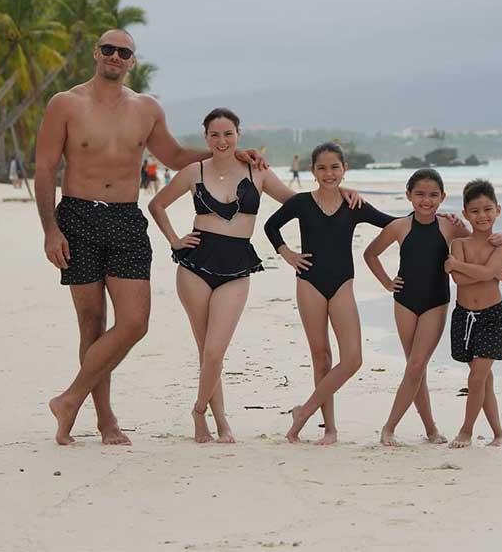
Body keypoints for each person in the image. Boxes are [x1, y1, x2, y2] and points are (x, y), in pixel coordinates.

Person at [36, 30, 266, 446]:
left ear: (132, 62)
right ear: (96, 53)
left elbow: (175, 157)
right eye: (107, 49)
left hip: (126, 219)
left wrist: (231, 154)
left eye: (123, 52)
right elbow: (44, 167)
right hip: (78, 217)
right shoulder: (65, 104)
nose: (114, 56)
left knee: (135, 323)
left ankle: (69, 399)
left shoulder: (146, 109)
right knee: (91, 324)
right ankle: (105, 420)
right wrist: (50, 230)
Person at [148, 111, 362, 443]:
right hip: (194, 265)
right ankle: (218, 420)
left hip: (236, 264)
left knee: (215, 350)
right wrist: (175, 240)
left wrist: (338, 188)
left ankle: (198, 410)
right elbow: (157, 205)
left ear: (238, 135)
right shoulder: (193, 172)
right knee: (206, 349)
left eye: (228, 134)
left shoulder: (257, 172)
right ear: (205, 137)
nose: (222, 141)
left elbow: (302, 205)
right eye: (215, 135)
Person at [363, 169, 502, 447]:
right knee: (414, 369)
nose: (426, 201)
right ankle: (430, 430)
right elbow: (370, 254)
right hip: (404, 301)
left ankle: (389, 427)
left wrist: (501, 239)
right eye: (419, 194)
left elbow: (480, 239)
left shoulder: (449, 227)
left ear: (442, 197)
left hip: (436, 303)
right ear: (408, 195)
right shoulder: (399, 227)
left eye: (433, 195)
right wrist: (386, 282)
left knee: (416, 364)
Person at [265, 142, 395, 444]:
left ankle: (304, 412)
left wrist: (446, 222)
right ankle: (330, 428)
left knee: (352, 359)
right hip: (309, 282)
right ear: (312, 171)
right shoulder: (301, 202)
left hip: (342, 284)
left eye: (335, 167)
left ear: (344, 169)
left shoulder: (354, 205)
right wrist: (288, 254)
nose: (328, 173)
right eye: (322, 167)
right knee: (321, 358)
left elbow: (392, 224)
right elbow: (272, 227)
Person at [446, 179, 502, 449]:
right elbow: (459, 281)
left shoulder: (501, 247)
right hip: (464, 316)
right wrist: (484, 272)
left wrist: (458, 266)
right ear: (465, 214)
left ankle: (466, 431)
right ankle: (499, 433)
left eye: (487, 209)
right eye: (474, 211)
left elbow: (475, 273)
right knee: (484, 380)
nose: (482, 216)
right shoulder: (459, 243)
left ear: (497, 209)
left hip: (492, 317)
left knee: (476, 378)